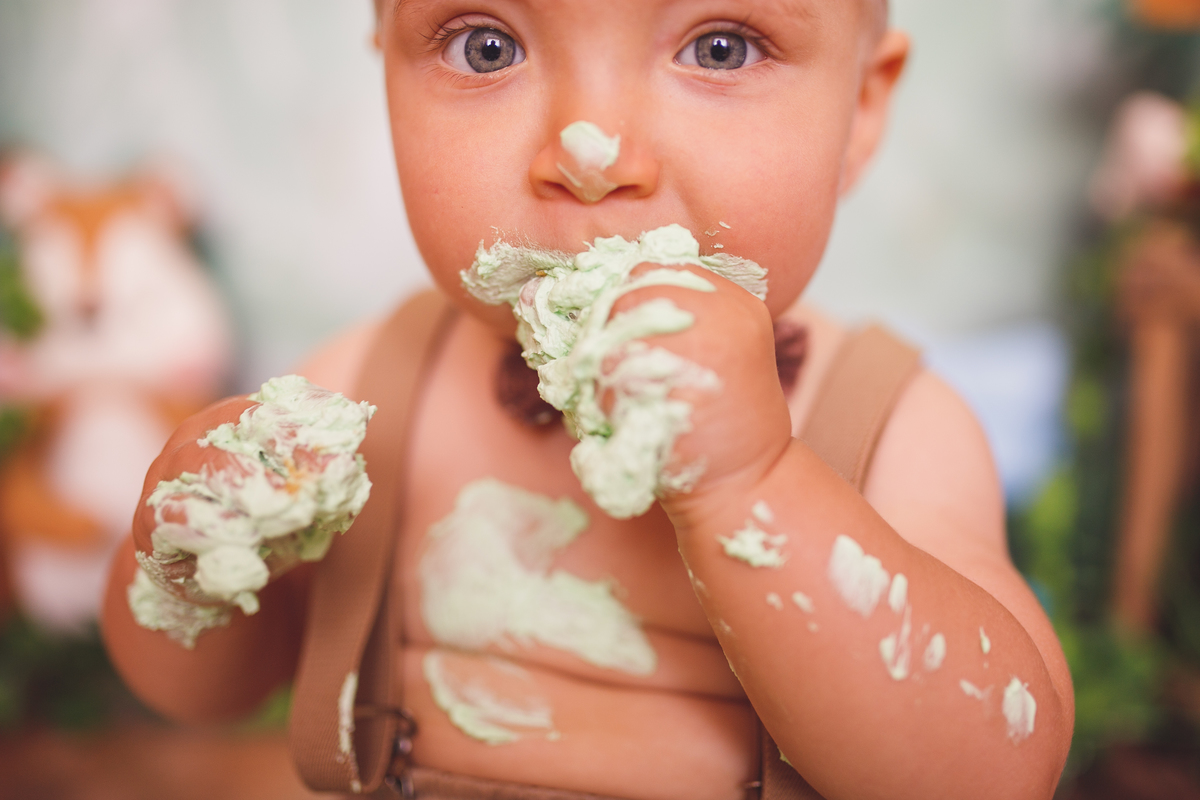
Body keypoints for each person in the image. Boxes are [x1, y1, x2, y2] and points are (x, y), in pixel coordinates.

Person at [101, 1, 1074, 798]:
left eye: (719, 46)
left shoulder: (887, 421)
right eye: (486, 46)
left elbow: (991, 767)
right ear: (386, 70)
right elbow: (210, 692)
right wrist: (190, 554)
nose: (591, 150)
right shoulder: (365, 387)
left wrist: (753, 481)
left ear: (860, 108)